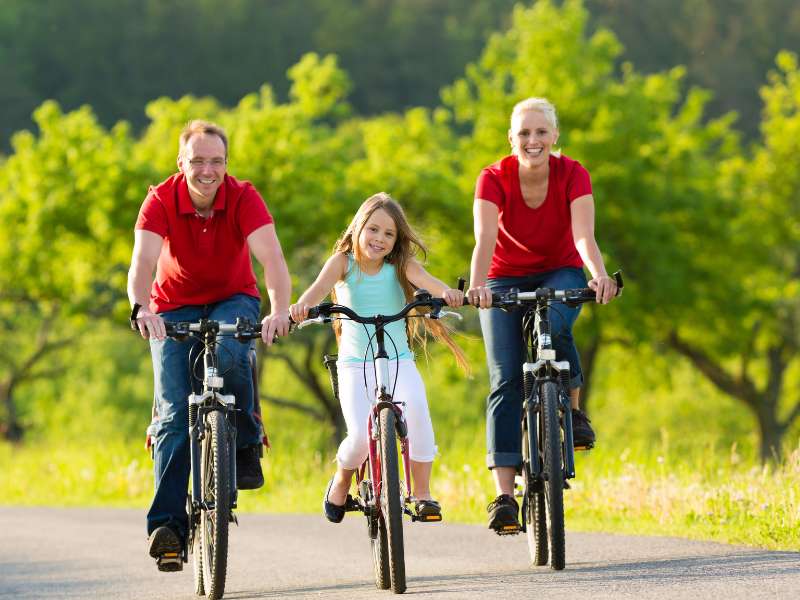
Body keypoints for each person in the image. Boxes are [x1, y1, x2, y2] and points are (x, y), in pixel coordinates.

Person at [127, 120, 291, 569]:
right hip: (171, 306)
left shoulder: (243, 196)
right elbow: (142, 261)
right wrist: (141, 308)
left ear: (226, 164)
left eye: (216, 161)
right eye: (197, 160)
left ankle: (245, 441)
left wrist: (279, 310)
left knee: (235, 351)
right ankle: (167, 529)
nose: (207, 170)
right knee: (175, 414)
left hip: (232, 297)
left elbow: (272, 258)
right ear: (181, 163)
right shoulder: (160, 199)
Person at [467, 98, 618, 533]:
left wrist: (600, 275)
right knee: (506, 378)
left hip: (561, 269)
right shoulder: (493, 178)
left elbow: (583, 235)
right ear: (511, 139)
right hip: (502, 277)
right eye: (524, 134)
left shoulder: (573, 173)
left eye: (541, 133)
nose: (532, 141)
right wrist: (477, 288)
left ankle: (572, 411)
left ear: (554, 136)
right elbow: (485, 238)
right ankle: (504, 495)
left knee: (554, 321)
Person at [290, 192, 467, 523]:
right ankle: (342, 480)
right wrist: (300, 309)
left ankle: (423, 493)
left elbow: (431, 283)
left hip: (398, 360)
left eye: (389, 234)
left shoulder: (401, 266)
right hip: (355, 365)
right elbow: (314, 291)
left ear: (397, 240)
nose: (379, 239)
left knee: (416, 408)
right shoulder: (342, 264)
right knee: (358, 436)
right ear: (358, 227)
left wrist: (450, 294)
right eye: (373, 229)